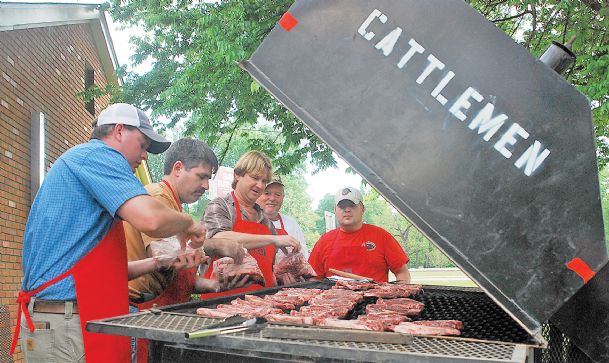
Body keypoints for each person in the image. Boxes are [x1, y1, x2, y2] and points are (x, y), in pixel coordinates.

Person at [11, 103, 206, 363]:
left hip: (67, 319)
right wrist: (189, 223)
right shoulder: (98, 157)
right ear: (118, 131)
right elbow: (150, 219)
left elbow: (96, 271)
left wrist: (157, 262)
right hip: (66, 324)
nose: (145, 155)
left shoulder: (86, 166)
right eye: (143, 144)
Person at [124, 138, 246, 363]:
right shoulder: (157, 196)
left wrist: (215, 284)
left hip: (160, 312)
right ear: (178, 168)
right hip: (140, 312)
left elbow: (177, 274)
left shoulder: (174, 204)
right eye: (202, 176)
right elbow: (164, 257)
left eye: (209, 179)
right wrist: (215, 244)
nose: (206, 186)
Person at [201, 151, 301, 298]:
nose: (260, 185)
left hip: (260, 306)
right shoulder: (221, 206)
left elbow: (271, 267)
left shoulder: (265, 220)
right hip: (220, 305)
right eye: (255, 178)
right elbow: (218, 239)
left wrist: (286, 277)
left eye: (264, 181)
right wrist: (273, 239)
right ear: (237, 175)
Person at [308, 186, 411, 283]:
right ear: (335, 210)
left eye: (352, 205)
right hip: (334, 299)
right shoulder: (324, 241)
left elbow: (402, 272)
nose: (347, 209)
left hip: (376, 300)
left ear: (362, 209)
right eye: (342, 206)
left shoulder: (381, 236)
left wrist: (399, 295)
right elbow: (313, 279)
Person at [256, 175, 308, 258]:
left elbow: (303, 257)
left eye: (277, 194)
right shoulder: (247, 218)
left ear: (283, 197)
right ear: (257, 195)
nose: (272, 198)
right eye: (267, 193)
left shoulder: (292, 224)